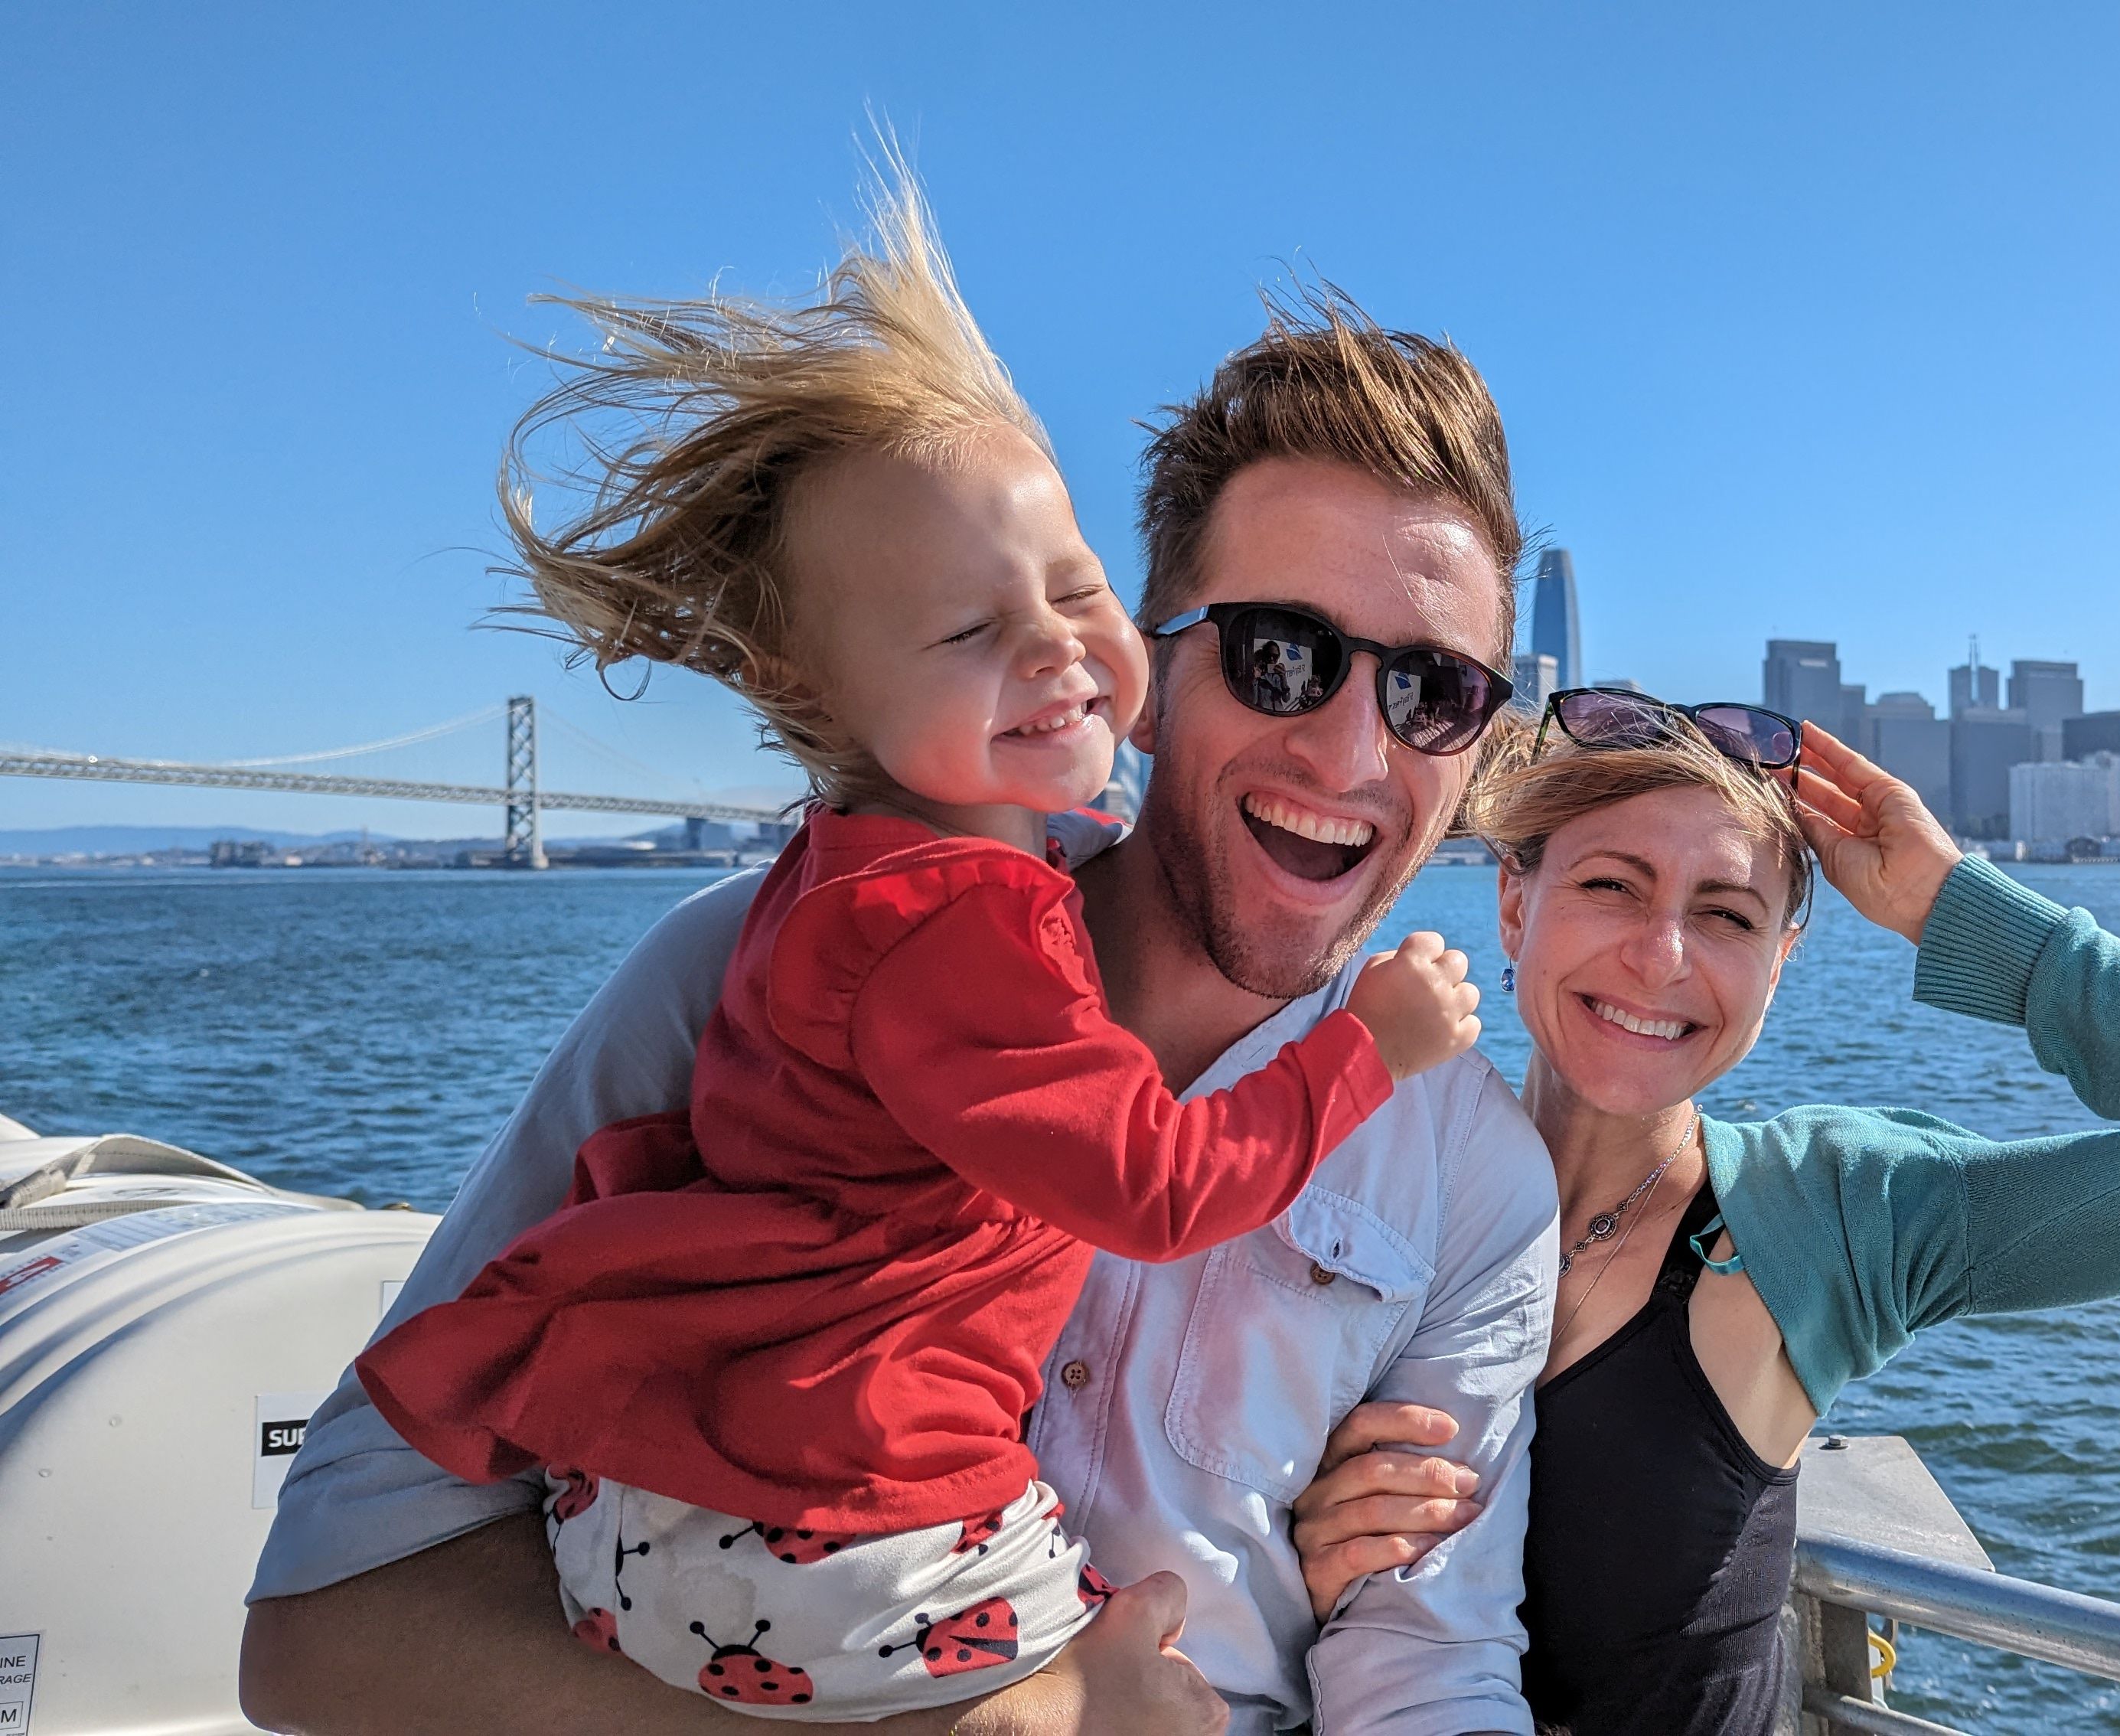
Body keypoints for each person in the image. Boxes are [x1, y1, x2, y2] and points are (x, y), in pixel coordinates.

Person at [239, 276, 1561, 1731]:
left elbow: (1431, 1671)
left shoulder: (1477, 1180)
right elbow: (323, 1632)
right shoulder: (753, 969)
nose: (1351, 748)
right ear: (1157, 661)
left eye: (1433, 691)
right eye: (1283, 655)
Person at [1290, 694, 2120, 1734]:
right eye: (1612, 887)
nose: (1662, 955)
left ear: (1782, 963)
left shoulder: (1820, 1213)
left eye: (1725, 915)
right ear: (1517, 903)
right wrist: (1308, 1565)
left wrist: (1950, 906)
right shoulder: (1365, 1159)